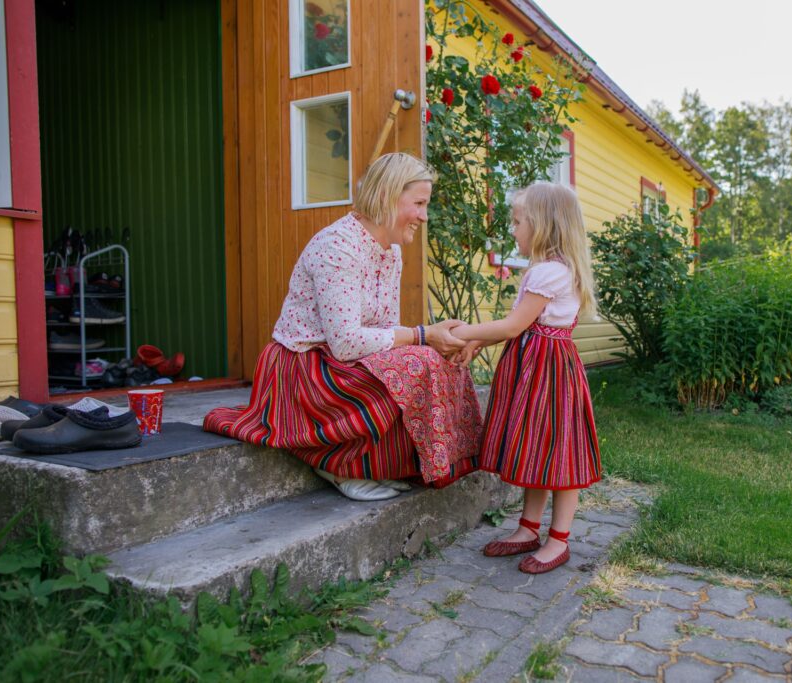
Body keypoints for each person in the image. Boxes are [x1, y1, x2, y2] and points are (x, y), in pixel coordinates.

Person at [204, 153, 482, 501]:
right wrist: (423, 336)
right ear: (387, 196)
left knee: (437, 359)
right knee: (419, 360)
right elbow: (347, 343)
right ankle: (336, 462)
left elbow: (384, 331)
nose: (424, 216)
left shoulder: (389, 250)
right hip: (303, 369)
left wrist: (451, 338)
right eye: (419, 204)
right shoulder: (338, 246)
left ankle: (382, 465)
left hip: (338, 364)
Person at [451, 182, 601, 574]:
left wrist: (462, 332)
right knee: (537, 449)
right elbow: (518, 324)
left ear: (543, 225)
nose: (513, 230)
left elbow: (513, 326)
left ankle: (558, 540)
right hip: (535, 367)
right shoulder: (545, 269)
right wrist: (481, 343)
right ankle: (528, 528)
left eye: (518, 222)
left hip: (548, 372)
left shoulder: (551, 272)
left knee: (558, 453)